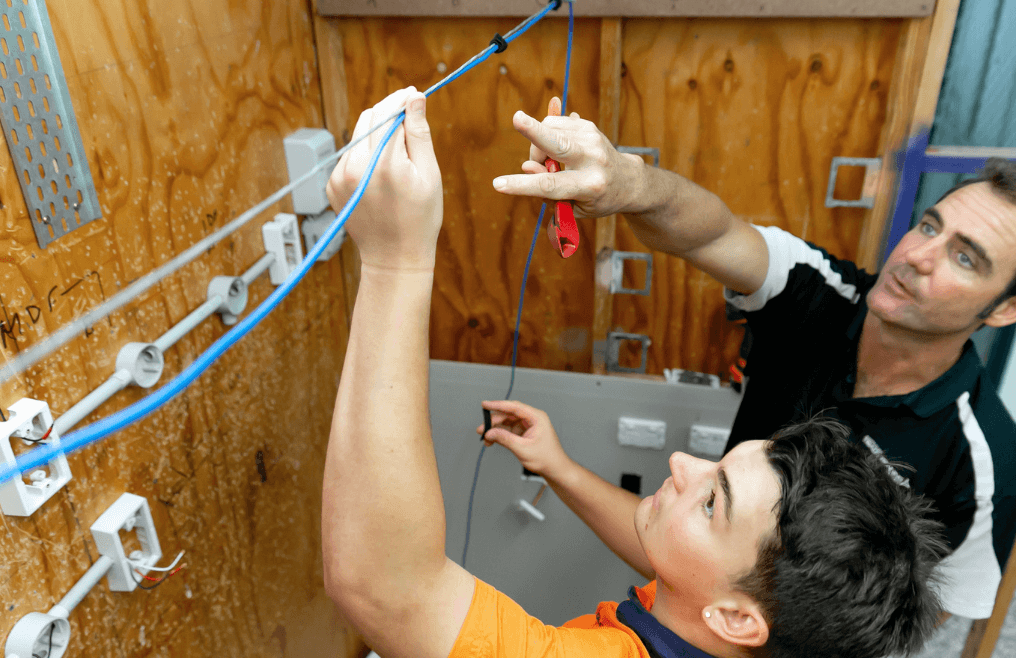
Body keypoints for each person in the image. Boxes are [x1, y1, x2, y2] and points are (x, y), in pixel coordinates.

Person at [321, 87, 946, 658]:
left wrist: (394, 261)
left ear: (736, 620)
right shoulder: (732, 621)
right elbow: (692, 554)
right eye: (719, 467)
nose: (682, 464)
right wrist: (558, 467)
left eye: (711, 500)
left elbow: (385, 588)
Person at [490, 100, 1016, 619]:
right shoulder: (820, 291)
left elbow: (911, 629)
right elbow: (712, 231)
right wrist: (630, 184)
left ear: (1005, 308)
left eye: (964, 257)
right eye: (929, 226)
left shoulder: (987, 463)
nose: (916, 256)